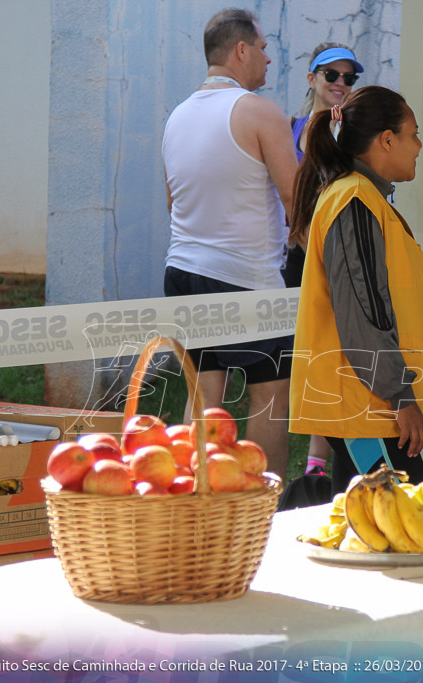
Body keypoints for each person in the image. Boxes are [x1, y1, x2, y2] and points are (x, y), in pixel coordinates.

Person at [161, 8, 299, 477]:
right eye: (263, 49)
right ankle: (268, 511)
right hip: (247, 278)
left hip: (182, 270)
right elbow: (295, 198)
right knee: (269, 398)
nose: (267, 60)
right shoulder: (261, 111)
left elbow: (171, 203)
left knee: (202, 397)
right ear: (241, 50)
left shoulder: (176, 116)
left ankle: (193, 498)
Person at [288, 85, 423, 495]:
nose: (420, 145)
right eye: (414, 133)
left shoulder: (362, 197)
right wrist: (400, 396)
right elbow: (364, 312)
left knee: (364, 531)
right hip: (368, 407)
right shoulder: (354, 200)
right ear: (387, 140)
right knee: (410, 517)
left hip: (368, 405)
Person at [282, 42, 365, 477]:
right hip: (301, 253)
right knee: (315, 348)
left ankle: (328, 454)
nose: (340, 84)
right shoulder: (290, 128)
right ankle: (317, 463)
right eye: (331, 75)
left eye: (349, 77)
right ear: (311, 78)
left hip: (341, 251)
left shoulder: (353, 130)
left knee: (339, 350)